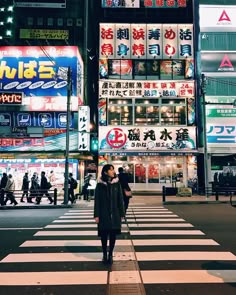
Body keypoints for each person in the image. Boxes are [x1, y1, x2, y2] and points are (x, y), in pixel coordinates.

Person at [94, 164, 125, 264]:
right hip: (103, 213)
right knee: (104, 235)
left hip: (115, 213)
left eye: (113, 170)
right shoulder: (100, 185)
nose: (113, 172)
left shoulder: (117, 184)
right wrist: (96, 215)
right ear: (105, 172)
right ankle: (104, 254)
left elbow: (120, 199)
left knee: (113, 235)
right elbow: (97, 201)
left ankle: (110, 254)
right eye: (111, 170)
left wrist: (122, 213)